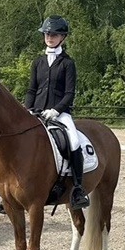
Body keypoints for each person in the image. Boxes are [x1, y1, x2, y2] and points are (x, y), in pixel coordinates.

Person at [24, 15, 89, 210]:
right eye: (47, 34)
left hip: (59, 113)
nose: (49, 37)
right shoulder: (38, 62)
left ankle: (77, 189)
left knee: (74, 142)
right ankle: (8, 191)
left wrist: (56, 110)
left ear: (62, 37)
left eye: (54, 35)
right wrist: (28, 109)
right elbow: (32, 89)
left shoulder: (68, 63)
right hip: (36, 112)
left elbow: (69, 93)